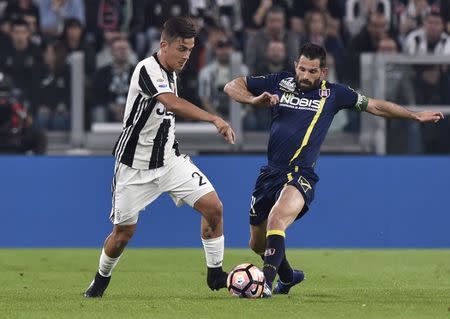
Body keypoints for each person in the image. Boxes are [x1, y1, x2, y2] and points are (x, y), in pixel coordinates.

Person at [223, 42, 443, 298]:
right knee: (257, 243)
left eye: (312, 71)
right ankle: (288, 276)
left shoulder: (335, 94)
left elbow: (375, 105)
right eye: (302, 69)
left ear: (323, 72)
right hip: (270, 172)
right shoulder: (279, 82)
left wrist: (414, 116)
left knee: (277, 218)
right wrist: (253, 99)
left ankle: (266, 286)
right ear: (296, 65)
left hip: (301, 174)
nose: (305, 76)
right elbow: (232, 85)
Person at [84, 17, 236, 298]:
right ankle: (100, 280)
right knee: (122, 235)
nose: (186, 55)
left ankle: (215, 274)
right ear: (163, 45)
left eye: (190, 49)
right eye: (181, 48)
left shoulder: (172, 71)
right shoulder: (146, 69)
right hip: (134, 166)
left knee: (214, 208)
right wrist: (214, 118)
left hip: (169, 161)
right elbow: (172, 103)